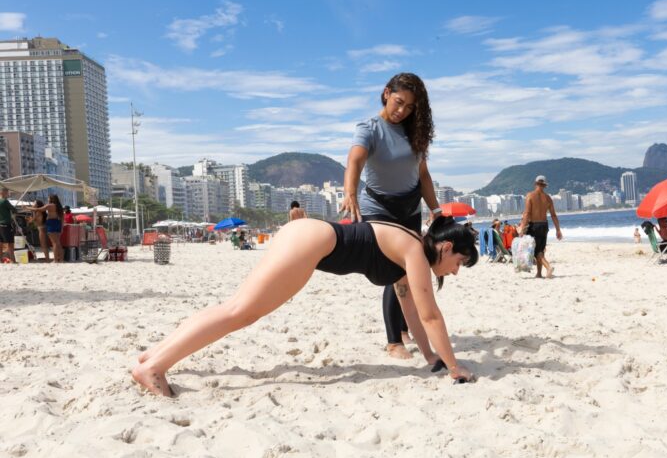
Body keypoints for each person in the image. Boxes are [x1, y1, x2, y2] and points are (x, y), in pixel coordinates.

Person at [132, 216, 478, 397]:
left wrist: (431, 356)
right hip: (315, 242)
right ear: (446, 247)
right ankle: (155, 367)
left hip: (309, 237)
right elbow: (431, 313)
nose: (456, 270)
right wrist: (454, 367)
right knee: (241, 312)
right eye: (460, 261)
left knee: (236, 307)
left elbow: (412, 312)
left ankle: (154, 356)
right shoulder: (415, 251)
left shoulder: (409, 250)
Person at [340, 72, 442, 360]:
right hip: (378, 207)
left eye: (410, 107)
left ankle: (405, 329)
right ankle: (394, 341)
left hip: (410, 207)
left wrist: (435, 209)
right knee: (393, 272)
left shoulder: (414, 132)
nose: (402, 111)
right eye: (399, 102)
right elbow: (355, 160)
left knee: (411, 272)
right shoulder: (370, 128)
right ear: (386, 93)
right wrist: (349, 191)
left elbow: (422, 174)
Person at [519, 175, 562, 278]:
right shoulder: (548, 198)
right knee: (541, 250)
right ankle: (539, 273)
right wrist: (558, 230)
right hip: (544, 225)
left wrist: (522, 228)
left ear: (535, 184)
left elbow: (527, 213)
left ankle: (548, 267)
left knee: (536, 251)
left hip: (534, 226)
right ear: (544, 185)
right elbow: (553, 215)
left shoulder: (530, 195)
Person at [27, 194, 64, 263]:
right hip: (57, 223)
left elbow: (39, 209)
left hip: (51, 223)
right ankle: (61, 259)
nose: (47, 199)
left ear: (51, 199)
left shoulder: (50, 205)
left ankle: (55, 260)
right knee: (58, 243)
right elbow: (62, 218)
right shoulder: (59, 206)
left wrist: (27, 208)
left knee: (54, 243)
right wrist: (62, 227)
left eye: (48, 198)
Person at [0, 187, 18, 263]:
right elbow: (14, 210)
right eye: (7, 193)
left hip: (0, 224)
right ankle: (13, 260)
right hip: (6, 224)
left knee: (0, 243)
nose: (8, 194)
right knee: (10, 243)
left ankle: (1, 260)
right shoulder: (5, 201)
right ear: (3, 193)